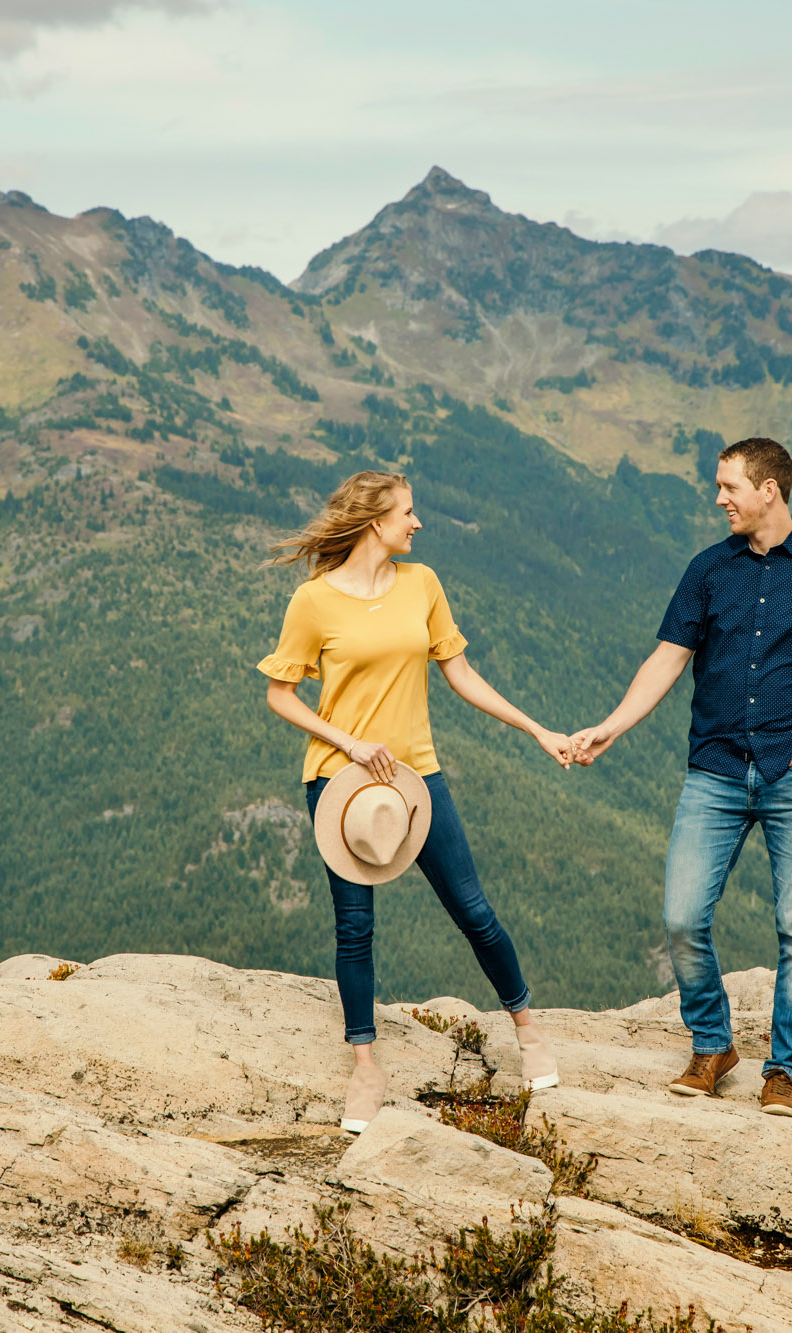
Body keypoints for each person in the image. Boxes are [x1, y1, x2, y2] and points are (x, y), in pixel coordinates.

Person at [258, 470, 575, 1133]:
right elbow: (280, 694)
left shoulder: (421, 584)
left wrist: (537, 729)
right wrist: (346, 742)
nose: (417, 522)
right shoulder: (313, 602)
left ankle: (527, 1029)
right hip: (341, 785)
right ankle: (365, 1068)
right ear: (375, 521)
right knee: (355, 927)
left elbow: (460, 673)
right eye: (407, 512)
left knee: (473, 909)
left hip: (414, 776)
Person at [571, 437, 792, 1118]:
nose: (718, 498)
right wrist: (610, 726)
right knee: (681, 916)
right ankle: (713, 1046)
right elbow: (666, 659)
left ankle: (783, 1073)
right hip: (714, 769)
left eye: (728, 486)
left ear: (769, 489)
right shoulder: (708, 569)